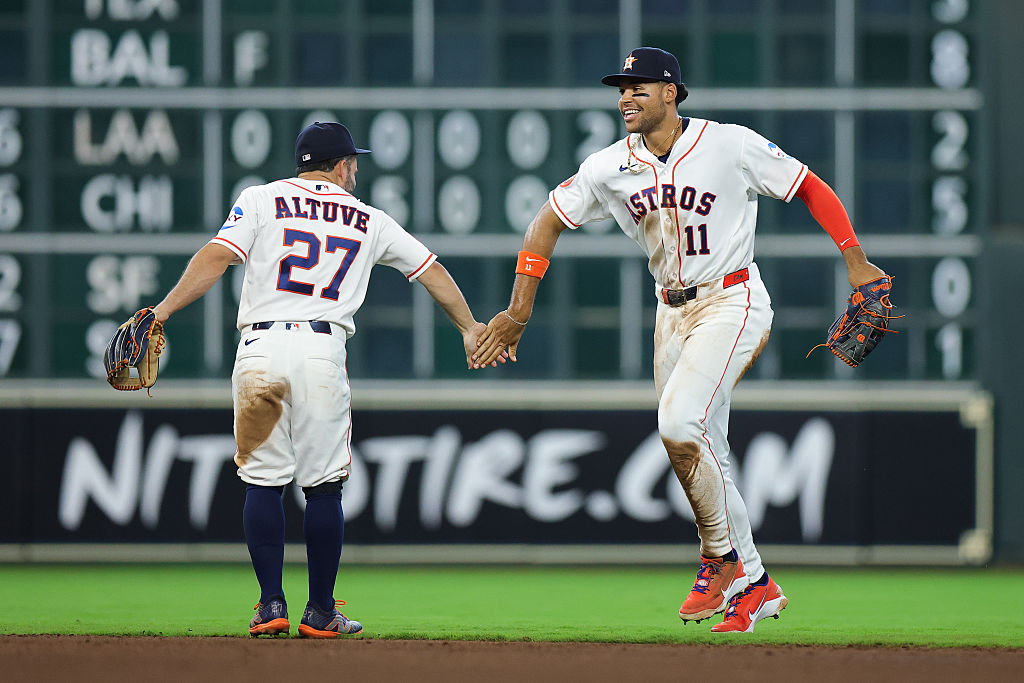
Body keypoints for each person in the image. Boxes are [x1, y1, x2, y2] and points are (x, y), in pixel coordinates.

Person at [474, 47, 888, 633]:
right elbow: (547, 219)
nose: (626, 97)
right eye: (622, 88)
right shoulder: (608, 167)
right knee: (702, 446)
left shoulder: (729, 144)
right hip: (670, 315)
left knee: (677, 423)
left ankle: (719, 559)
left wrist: (857, 262)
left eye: (640, 86)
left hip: (732, 299)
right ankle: (756, 585)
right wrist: (518, 310)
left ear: (672, 92)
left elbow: (809, 187)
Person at [151, 121, 503, 638]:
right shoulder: (368, 218)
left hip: (259, 349)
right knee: (323, 486)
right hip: (320, 350)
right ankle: (319, 613)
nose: (354, 170)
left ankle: (271, 605)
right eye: (352, 163)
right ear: (342, 165)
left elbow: (218, 257)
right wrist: (471, 327)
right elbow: (431, 270)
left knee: (262, 480)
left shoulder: (261, 199)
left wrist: (160, 313)